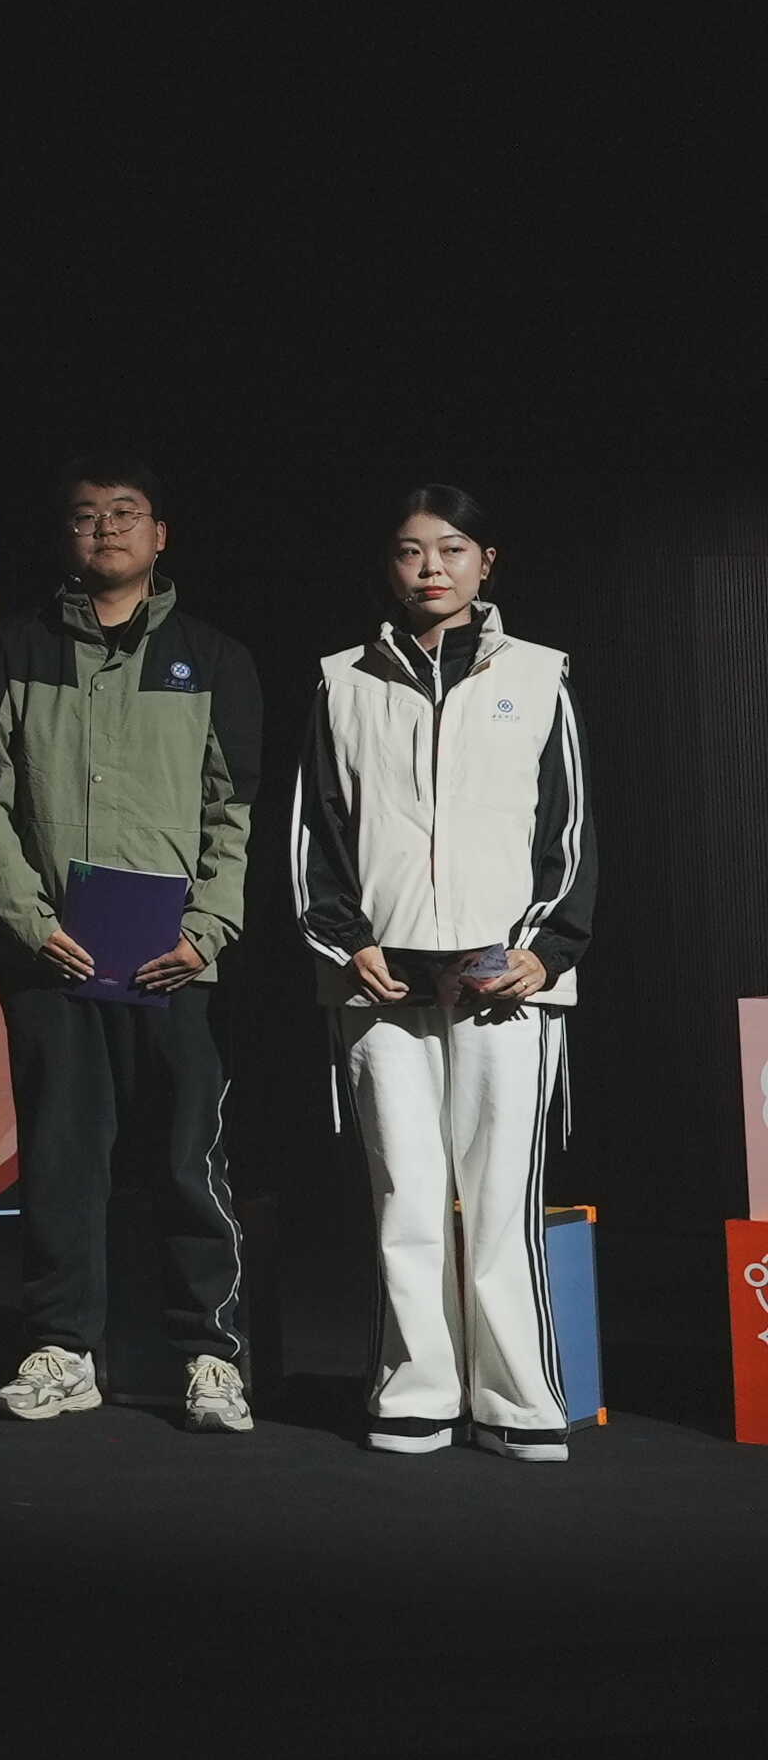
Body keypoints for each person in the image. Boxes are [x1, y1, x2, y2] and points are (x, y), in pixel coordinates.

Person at [0, 458, 263, 1431]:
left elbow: (236, 809)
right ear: (66, 537)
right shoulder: (13, 651)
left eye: (125, 514)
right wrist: (32, 923)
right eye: (85, 517)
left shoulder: (213, 658)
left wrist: (206, 931)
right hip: (50, 957)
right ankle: (61, 1349)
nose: (106, 530)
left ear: (160, 534)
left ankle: (210, 1355)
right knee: (60, 1159)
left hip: (173, 960)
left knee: (185, 1160)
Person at [296, 485, 596, 1460]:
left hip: (507, 979)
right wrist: (345, 941)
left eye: (452, 548)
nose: (431, 567)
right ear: (389, 566)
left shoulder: (540, 674)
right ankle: (415, 1389)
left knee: (501, 1194)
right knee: (405, 1191)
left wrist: (546, 948)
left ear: (485, 561)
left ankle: (517, 1401)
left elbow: (569, 828)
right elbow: (315, 830)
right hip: (380, 978)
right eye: (410, 550)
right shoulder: (343, 681)